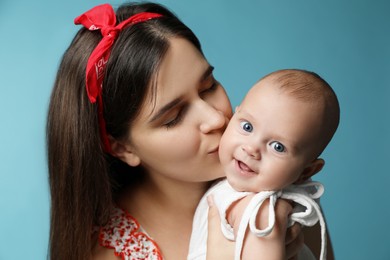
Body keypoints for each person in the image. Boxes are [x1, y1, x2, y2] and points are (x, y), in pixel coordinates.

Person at [46, 2, 327, 259]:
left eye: (209, 86)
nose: (216, 119)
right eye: (174, 117)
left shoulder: (280, 191)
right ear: (123, 147)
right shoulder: (106, 253)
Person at [188, 69, 340, 260]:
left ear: (306, 171)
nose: (252, 148)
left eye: (278, 147)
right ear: (235, 115)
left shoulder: (260, 211)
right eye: (247, 127)